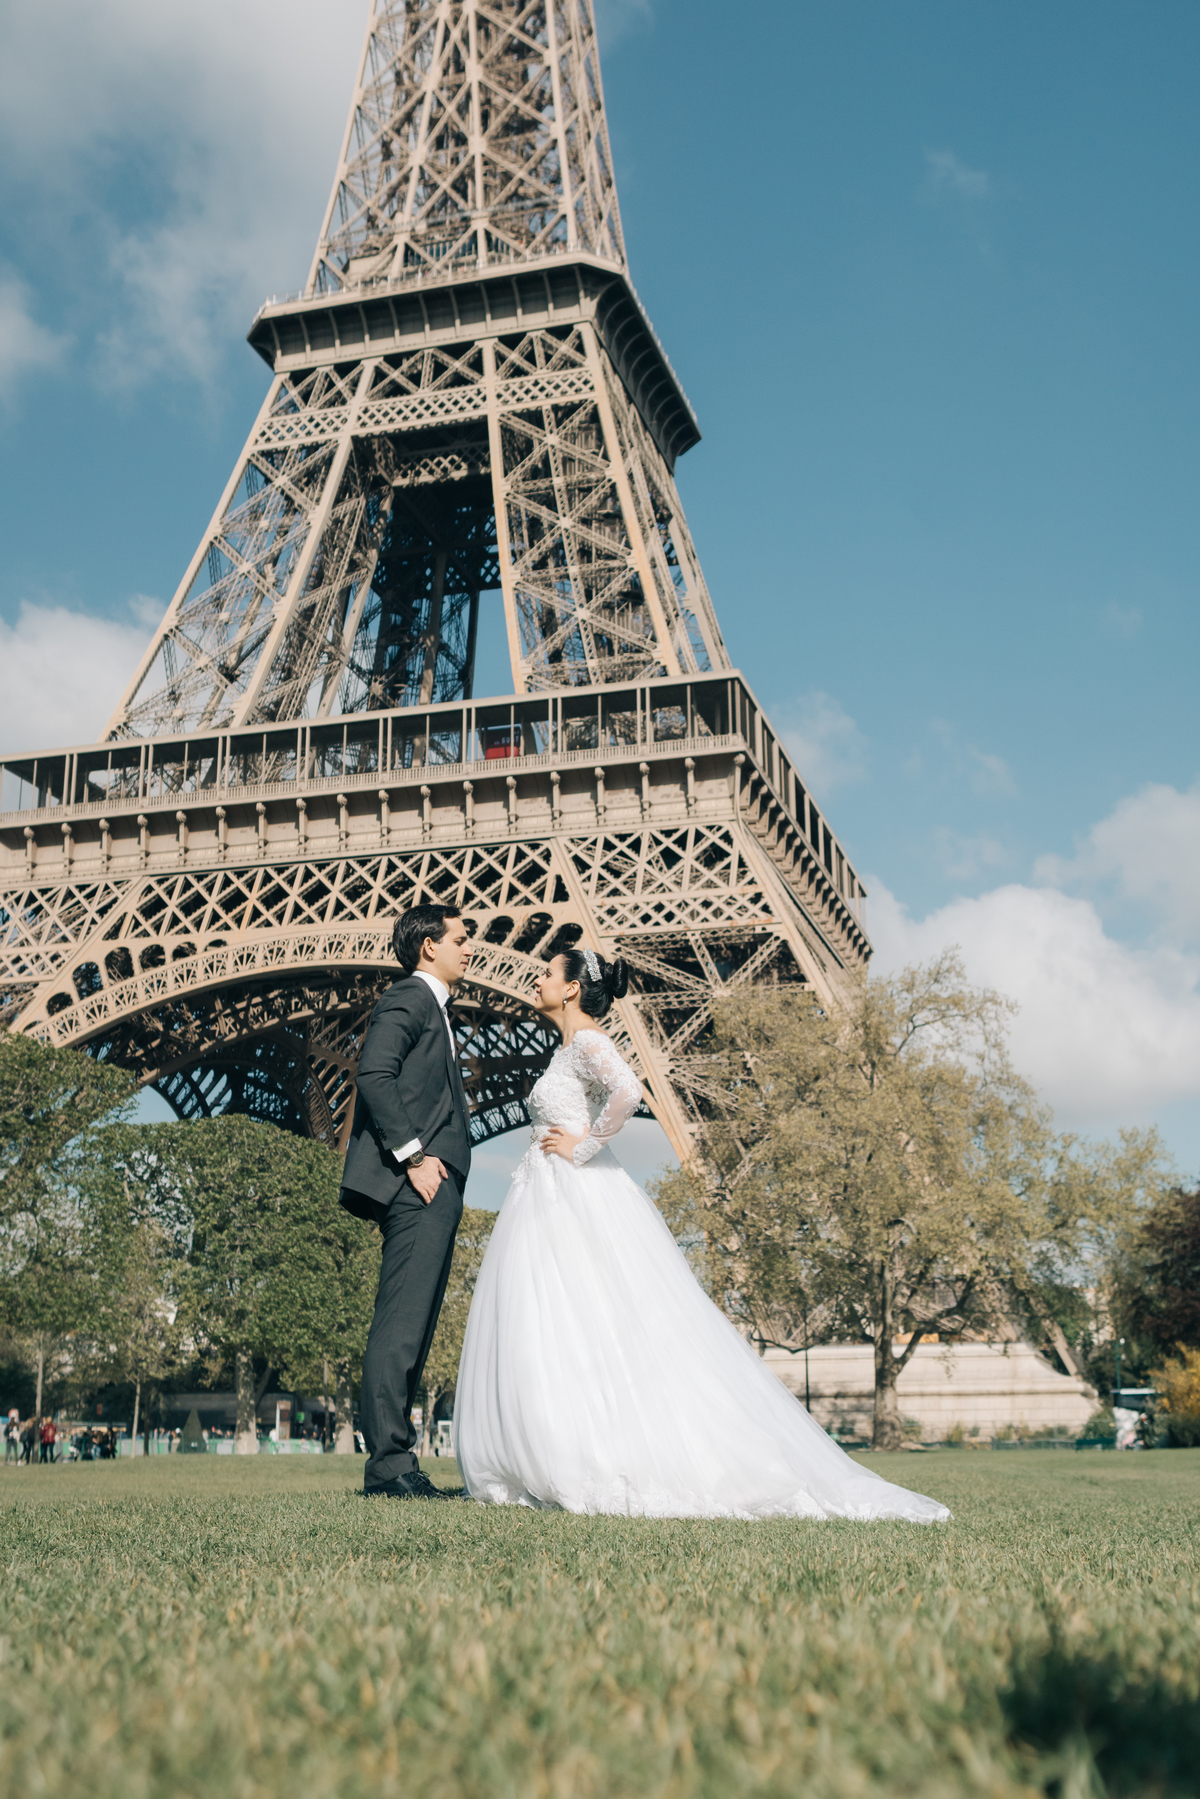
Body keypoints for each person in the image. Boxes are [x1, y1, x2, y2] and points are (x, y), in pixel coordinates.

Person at [455, 949, 951, 1523]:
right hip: (548, 1195)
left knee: (587, 1316)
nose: (538, 977)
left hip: (573, 1189)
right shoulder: (568, 1047)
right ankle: (561, 1451)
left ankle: (593, 1455)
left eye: (549, 972)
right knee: (564, 1321)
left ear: (571, 990)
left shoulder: (589, 1041)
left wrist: (582, 1146)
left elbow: (630, 1091)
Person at [340, 903, 474, 1500]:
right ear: (429, 947)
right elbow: (374, 1074)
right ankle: (389, 1468)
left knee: (413, 1329)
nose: (469, 948)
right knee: (399, 1327)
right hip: (417, 1183)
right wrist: (415, 1157)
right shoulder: (410, 998)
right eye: (460, 938)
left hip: (435, 1187)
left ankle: (398, 1464)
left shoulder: (435, 1009)